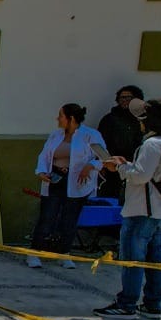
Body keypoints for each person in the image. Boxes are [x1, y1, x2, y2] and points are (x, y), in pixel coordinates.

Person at [96, 99, 161, 320]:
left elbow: (141, 176)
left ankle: (126, 304)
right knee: (155, 262)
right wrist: (127, 164)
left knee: (132, 260)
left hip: (142, 212)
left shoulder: (152, 144)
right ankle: (152, 305)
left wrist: (118, 167)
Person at [27, 103, 104, 269]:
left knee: (69, 219)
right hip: (55, 179)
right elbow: (44, 155)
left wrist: (89, 166)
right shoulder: (56, 135)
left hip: (77, 183)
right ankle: (34, 253)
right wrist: (41, 171)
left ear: (71, 119)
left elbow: (103, 157)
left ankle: (64, 253)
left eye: (61, 115)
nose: (58, 119)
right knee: (47, 216)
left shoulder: (91, 135)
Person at [96, 84, 144, 199]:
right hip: (113, 168)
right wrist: (103, 165)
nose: (125, 100)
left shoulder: (142, 119)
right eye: (122, 98)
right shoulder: (110, 119)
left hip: (136, 168)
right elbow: (100, 144)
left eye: (129, 98)